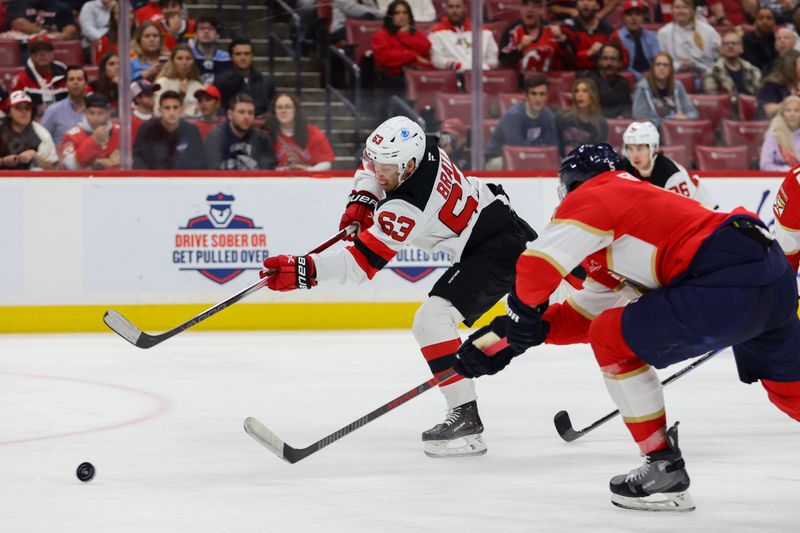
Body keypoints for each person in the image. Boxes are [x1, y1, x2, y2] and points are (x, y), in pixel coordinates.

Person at [454, 143, 800, 511]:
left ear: (572, 184)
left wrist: (518, 320)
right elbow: (584, 315)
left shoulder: (594, 194)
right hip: (771, 274)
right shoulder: (631, 212)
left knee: (610, 336)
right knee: (790, 392)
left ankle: (662, 468)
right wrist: (511, 337)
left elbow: (535, 267)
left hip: (722, 275)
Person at [259, 115, 537, 458]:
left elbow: (361, 265)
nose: (378, 173)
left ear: (408, 166)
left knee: (431, 321)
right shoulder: (423, 147)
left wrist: (306, 271)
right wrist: (363, 198)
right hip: (498, 223)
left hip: (496, 250)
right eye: (377, 163)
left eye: (387, 169)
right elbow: (369, 166)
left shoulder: (409, 204)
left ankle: (466, 419)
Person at [621, 121, 717, 207]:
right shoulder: (624, 168)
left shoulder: (672, 175)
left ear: (654, 148)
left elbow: (682, 214)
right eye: (630, 149)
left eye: (640, 148)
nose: (634, 155)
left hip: (706, 214)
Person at [485, 75, 559, 170]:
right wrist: (541, 149)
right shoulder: (512, 116)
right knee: (497, 164)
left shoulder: (548, 115)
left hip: (532, 158)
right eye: (534, 94)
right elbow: (517, 148)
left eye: (542, 94)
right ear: (526, 96)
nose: (538, 99)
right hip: (499, 159)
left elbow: (553, 145)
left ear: (547, 96)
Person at [133, 90, 206, 169]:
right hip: (153, 179)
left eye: (175, 108)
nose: (172, 112)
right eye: (167, 108)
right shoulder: (147, 129)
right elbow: (138, 158)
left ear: (182, 110)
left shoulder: (192, 131)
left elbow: (199, 161)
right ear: (160, 110)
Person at [265, 93, 335, 171]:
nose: (283, 111)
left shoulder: (313, 132)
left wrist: (307, 171)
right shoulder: (267, 135)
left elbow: (326, 163)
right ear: (275, 112)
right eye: (279, 107)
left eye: (288, 107)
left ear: (296, 110)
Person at [205, 93, 275, 170]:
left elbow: (267, 174)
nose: (246, 117)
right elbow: (213, 173)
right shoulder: (216, 137)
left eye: (250, 113)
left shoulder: (262, 139)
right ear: (230, 115)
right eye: (241, 112)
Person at [498, 0, 572, 73]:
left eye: (534, 6)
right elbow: (503, 60)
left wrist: (563, 40)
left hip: (549, 80)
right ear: (520, 9)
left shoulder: (552, 31)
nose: (529, 10)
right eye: (526, 5)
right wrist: (520, 47)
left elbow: (569, 61)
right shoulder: (513, 32)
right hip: (521, 82)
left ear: (541, 10)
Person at [632, 51, 698, 128]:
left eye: (665, 65)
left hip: (676, 130)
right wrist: (670, 120)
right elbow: (639, 119)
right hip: (652, 133)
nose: (661, 68)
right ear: (653, 68)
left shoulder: (677, 86)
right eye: (658, 64)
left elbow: (692, 113)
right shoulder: (642, 88)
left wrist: (685, 118)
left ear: (671, 69)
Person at [428, 0, 499, 72]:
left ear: (465, 8)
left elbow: (492, 57)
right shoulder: (436, 32)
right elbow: (436, 59)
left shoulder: (483, 31)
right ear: (446, 8)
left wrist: (486, 67)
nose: (454, 10)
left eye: (458, 7)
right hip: (454, 75)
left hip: (481, 75)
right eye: (450, 7)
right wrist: (458, 66)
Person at [371, 0, 432, 82]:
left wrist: (404, 35)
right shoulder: (381, 35)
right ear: (390, 16)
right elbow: (385, 58)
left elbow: (425, 48)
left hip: (421, 75)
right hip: (395, 77)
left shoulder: (415, 33)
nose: (401, 16)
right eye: (397, 13)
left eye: (405, 13)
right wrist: (413, 55)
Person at [657, 0, 720, 80]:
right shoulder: (663, 33)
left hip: (706, 75)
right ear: (672, 11)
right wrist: (678, 65)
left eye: (685, 7)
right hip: (676, 77)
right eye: (677, 7)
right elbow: (660, 62)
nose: (681, 11)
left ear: (692, 11)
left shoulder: (708, 30)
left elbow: (717, 56)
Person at [59, 93, 120, 170]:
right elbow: (68, 165)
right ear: (85, 113)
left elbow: (130, 161)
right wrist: (94, 141)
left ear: (109, 113)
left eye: (100, 113)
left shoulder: (120, 132)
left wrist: (113, 164)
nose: (95, 118)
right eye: (91, 113)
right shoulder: (72, 135)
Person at [215, 37, 274, 116]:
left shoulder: (265, 82)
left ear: (253, 56)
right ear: (230, 57)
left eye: (247, 54)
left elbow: (271, 109)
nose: (243, 58)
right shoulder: (221, 81)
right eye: (238, 54)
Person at [0, 90, 58, 170]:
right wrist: (3, 161)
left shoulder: (42, 134)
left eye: (27, 108)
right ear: (9, 112)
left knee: (37, 170)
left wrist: (35, 156)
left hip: (33, 180)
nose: (24, 112)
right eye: (18, 108)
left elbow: (54, 170)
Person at [12, 35, 67, 114]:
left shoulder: (66, 74)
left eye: (46, 50)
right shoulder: (21, 80)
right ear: (31, 55)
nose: (42, 53)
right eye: (37, 50)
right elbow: (15, 110)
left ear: (52, 53)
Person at [561, 0, 618, 71]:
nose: (585, 3)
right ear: (576, 5)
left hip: (602, 75)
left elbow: (622, 58)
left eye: (590, 0)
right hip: (576, 75)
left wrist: (605, 54)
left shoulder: (608, 30)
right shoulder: (567, 28)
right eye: (581, 0)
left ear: (598, 6)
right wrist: (588, 53)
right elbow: (567, 60)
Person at [556, 78, 608, 155]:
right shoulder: (562, 118)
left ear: (592, 95)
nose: (579, 95)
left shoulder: (601, 123)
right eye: (577, 91)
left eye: (585, 91)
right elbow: (556, 148)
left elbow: (599, 153)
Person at [702, 31, 761, 98]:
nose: (730, 46)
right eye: (726, 44)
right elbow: (713, 99)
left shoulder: (753, 70)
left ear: (741, 48)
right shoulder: (712, 71)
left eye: (734, 43)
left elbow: (759, 96)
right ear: (721, 49)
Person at [154, 43, 205, 118]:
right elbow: (157, 112)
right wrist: (181, 96)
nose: (184, 62)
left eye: (188, 59)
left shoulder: (199, 86)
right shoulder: (162, 83)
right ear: (172, 61)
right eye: (179, 58)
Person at [612, 0, 660, 80]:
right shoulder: (617, 37)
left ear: (643, 17)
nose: (634, 18)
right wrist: (639, 76)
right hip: (629, 78)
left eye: (638, 14)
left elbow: (657, 59)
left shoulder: (651, 36)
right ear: (624, 18)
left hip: (651, 76)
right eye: (629, 14)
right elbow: (620, 66)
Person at [40, 65, 87, 145]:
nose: (75, 82)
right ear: (66, 85)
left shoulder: (96, 110)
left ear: (86, 84)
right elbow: (41, 140)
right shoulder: (53, 111)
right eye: (71, 79)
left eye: (79, 79)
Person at [586, 42, 632, 118]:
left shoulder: (624, 83)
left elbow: (626, 110)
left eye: (613, 59)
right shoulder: (589, 82)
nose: (609, 63)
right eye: (605, 58)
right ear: (599, 61)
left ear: (620, 63)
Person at [760, 96, 800, 171]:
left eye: (797, 110)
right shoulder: (773, 137)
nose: (792, 114)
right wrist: (789, 171)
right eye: (788, 110)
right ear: (782, 114)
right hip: (779, 178)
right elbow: (765, 165)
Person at [756, 50, 800, 120]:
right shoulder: (770, 86)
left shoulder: (797, 84)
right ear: (790, 68)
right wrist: (791, 100)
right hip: (774, 125)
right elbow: (769, 112)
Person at [189, 15, 231, 85]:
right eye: (202, 28)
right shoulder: (189, 55)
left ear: (217, 35)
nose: (206, 31)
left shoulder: (227, 58)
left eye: (211, 29)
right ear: (195, 34)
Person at [5, 0, 78, 40]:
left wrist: (63, 35)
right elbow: (18, 23)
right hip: (24, 46)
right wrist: (46, 34)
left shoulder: (61, 7)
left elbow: (70, 27)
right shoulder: (18, 3)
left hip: (53, 46)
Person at [742, 7, 777, 75]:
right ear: (755, 22)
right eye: (761, 18)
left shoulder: (775, 39)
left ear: (774, 22)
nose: (765, 22)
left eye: (769, 18)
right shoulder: (747, 40)